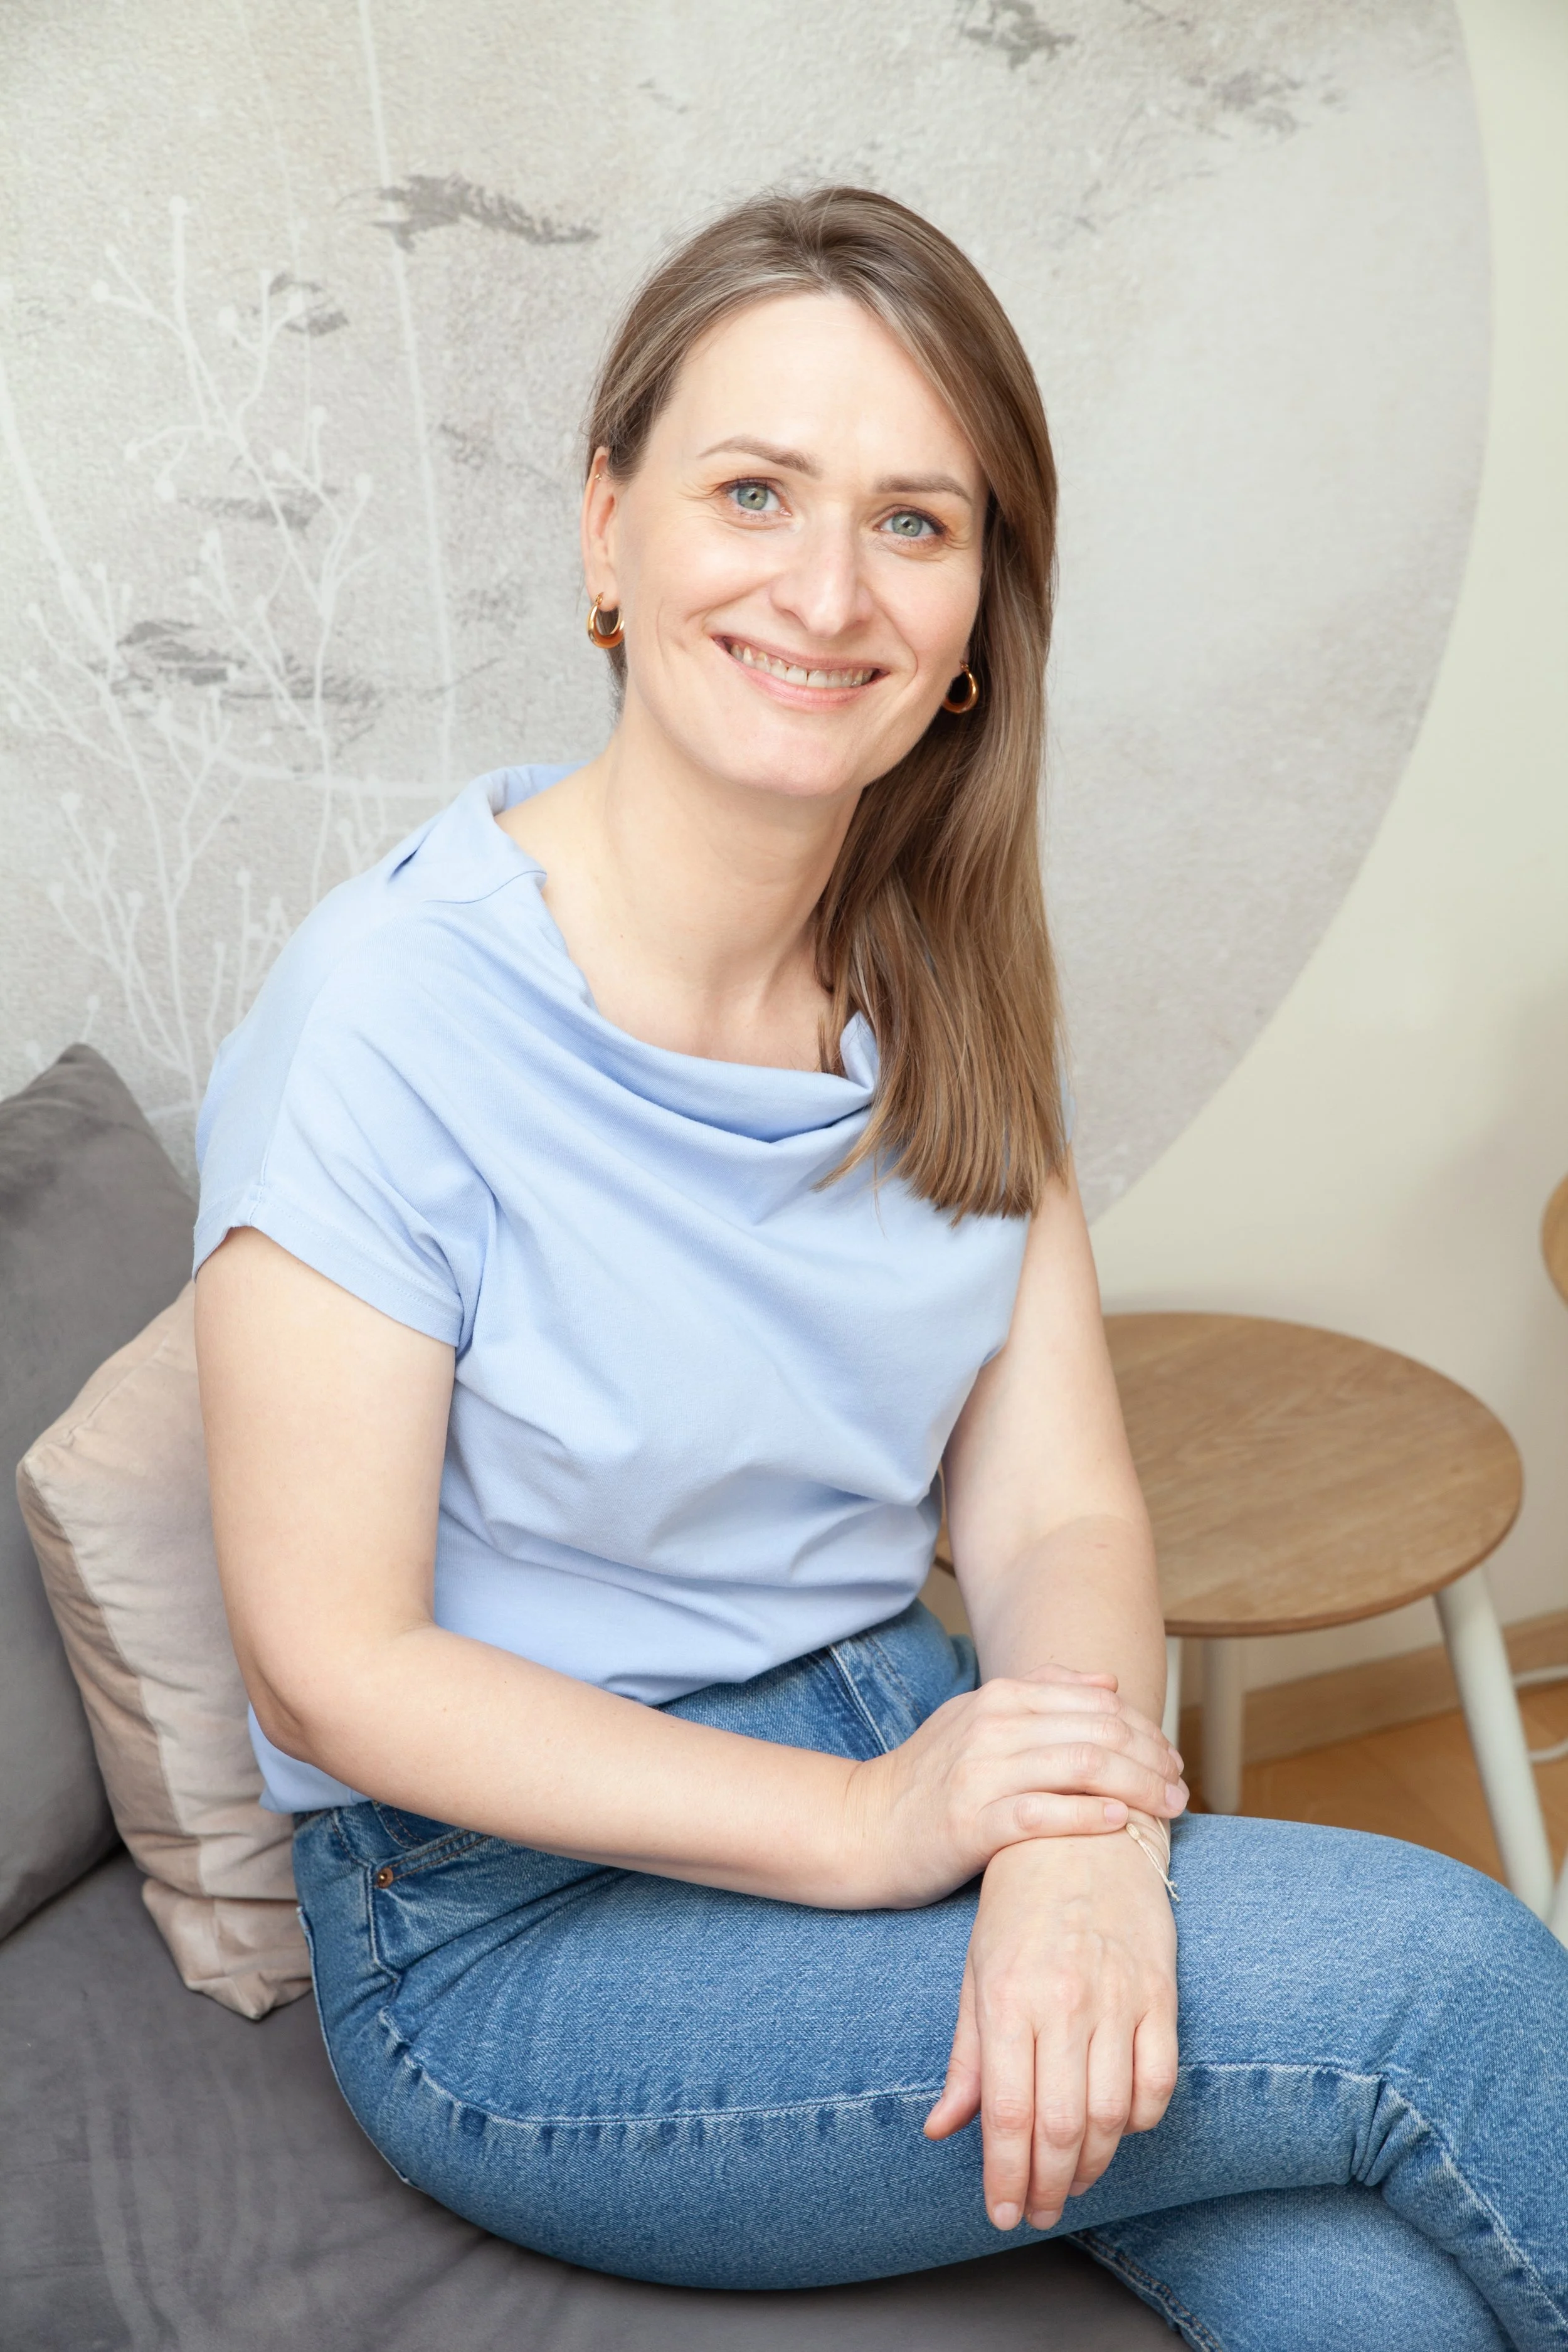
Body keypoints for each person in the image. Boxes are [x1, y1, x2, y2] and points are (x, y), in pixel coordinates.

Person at [193, 188, 1568, 2351]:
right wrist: (869, 1821)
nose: (824, 589)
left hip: (918, 1735)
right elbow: (329, 1666)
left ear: (975, 623)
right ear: (606, 530)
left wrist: (1080, 1840)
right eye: (753, 490)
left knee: (1361, 2295)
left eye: (913, 523)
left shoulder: (942, 975)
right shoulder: (386, 1013)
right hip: (517, 1929)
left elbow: (1051, 1506)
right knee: (1438, 1975)